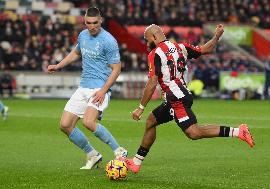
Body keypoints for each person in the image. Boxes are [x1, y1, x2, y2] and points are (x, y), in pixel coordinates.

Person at [124, 24, 255, 174]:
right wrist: (217, 36)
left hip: (176, 99)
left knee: (194, 133)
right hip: (176, 96)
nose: (147, 44)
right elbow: (205, 49)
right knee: (151, 121)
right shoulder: (181, 47)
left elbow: (152, 82)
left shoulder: (155, 54)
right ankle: (135, 163)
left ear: (154, 37)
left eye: (147, 40)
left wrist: (140, 107)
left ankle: (238, 131)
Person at [47, 7, 127, 169]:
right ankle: (93, 154)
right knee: (65, 125)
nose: (92, 26)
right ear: (85, 22)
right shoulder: (83, 35)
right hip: (83, 87)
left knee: (88, 122)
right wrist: (58, 65)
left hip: (99, 88)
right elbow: (76, 53)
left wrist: (104, 90)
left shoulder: (109, 41)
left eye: (95, 23)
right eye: (88, 23)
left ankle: (119, 151)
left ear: (101, 20)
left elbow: (116, 69)